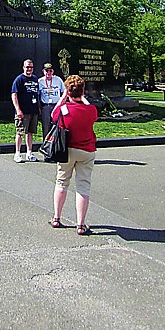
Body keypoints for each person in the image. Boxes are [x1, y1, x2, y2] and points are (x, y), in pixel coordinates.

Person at [49, 74, 98, 235]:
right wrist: (82, 98)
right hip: (87, 151)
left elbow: (53, 115)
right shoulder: (91, 110)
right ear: (83, 91)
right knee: (83, 186)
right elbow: (93, 113)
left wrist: (64, 97)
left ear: (67, 91)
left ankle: (56, 218)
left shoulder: (64, 110)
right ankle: (80, 224)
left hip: (67, 151)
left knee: (61, 182)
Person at [11, 59, 39, 163]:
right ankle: (17, 153)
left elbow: (37, 94)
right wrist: (18, 110)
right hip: (23, 112)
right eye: (27, 67)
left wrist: (38, 108)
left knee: (30, 132)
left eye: (31, 67)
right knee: (20, 132)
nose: (29, 69)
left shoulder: (35, 79)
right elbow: (14, 95)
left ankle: (29, 153)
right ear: (23, 67)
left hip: (33, 111)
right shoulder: (19, 79)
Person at [38, 62, 66, 159]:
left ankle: (56, 151)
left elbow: (64, 92)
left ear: (53, 71)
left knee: (57, 129)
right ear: (43, 71)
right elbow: (37, 95)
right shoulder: (40, 81)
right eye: (46, 71)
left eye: (50, 71)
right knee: (46, 129)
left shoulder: (58, 80)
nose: (48, 73)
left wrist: (62, 104)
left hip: (56, 106)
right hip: (46, 106)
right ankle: (46, 152)